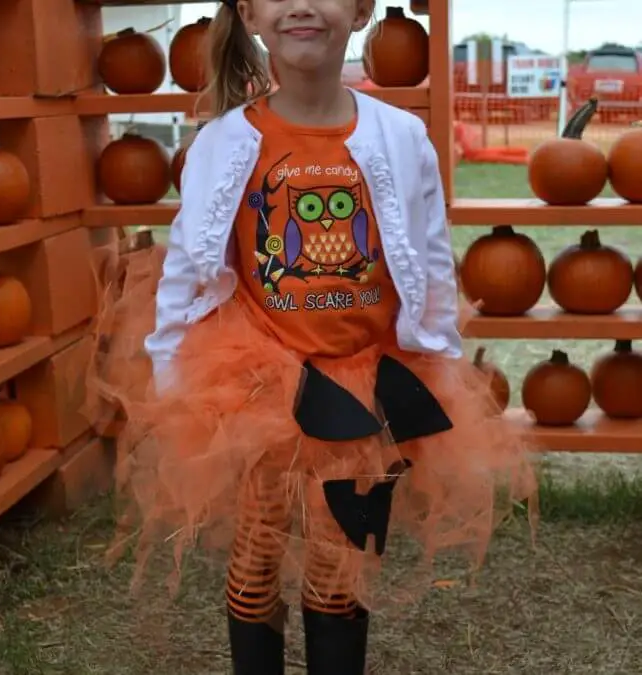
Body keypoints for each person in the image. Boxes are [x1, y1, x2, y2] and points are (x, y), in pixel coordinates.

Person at [89, 0, 538, 672]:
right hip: (254, 386)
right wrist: (173, 382)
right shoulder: (223, 142)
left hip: (359, 386)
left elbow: (431, 258)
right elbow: (189, 263)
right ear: (250, 14)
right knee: (257, 552)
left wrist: (439, 364)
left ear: (359, 11)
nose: (302, 4)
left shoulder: (401, 137)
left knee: (339, 560)